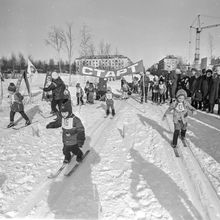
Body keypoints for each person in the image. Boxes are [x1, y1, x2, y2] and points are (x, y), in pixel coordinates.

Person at [60, 99, 85, 164]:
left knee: (75, 150)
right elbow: (63, 128)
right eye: (62, 113)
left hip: (74, 141)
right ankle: (67, 157)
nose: (64, 115)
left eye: (65, 113)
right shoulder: (63, 119)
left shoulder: (75, 120)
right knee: (65, 151)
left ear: (69, 111)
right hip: (66, 141)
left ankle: (80, 155)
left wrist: (80, 141)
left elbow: (81, 130)